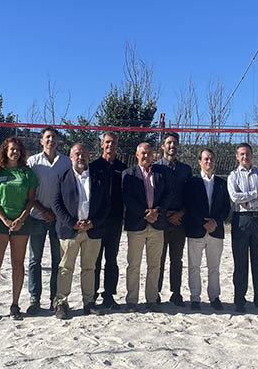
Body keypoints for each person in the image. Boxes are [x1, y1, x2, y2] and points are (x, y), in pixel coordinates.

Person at [51, 143, 111, 319]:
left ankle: (89, 302)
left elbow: (106, 204)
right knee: (65, 268)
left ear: (89, 156)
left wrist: (94, 223)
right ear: (70, 157)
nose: (80, 157)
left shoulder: (99, 177)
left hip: (93, 230)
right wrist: (73, 223)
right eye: (77, 154)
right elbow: (57, 204)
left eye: (84, 154)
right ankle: (61, 303)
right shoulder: (61, 176)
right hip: (69, 231)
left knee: (89, 268)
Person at [0, 137, 39, 320]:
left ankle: (15, 305)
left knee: (18, 264)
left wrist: (20, 219)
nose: (14, 152)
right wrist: (4, 219)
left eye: (17, 149)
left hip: (21, 223)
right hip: (0, 222)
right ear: (5, 151)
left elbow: (31, 199)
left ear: (21, 152)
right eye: (11, 149)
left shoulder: (27, 173)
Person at [121, 142, 172, 312]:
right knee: (134, 265)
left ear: (154, 155)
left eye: (149, 153)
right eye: (143, 153)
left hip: (157, 224)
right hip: (137, 224)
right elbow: (128, 199)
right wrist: (145, 213)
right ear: (137, 155)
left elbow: (167, 195)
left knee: (154, 265)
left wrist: (156, 211)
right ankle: (132, 301)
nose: (146, 156)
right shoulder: (128, 174)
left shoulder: (162, 173)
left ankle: (152, 300)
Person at [26, 126, 70, 314]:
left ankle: (55, 299)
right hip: (36, 216)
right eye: (47, 137)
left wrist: (57, 213)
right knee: (35, 260)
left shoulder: (66, 162)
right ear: (41, 141)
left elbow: (68, 192)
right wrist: (42, 211)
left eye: (54, 137)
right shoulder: (32, 162)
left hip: (57, 219)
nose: (51, 140)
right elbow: (28, 192)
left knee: (57, 261)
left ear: (58, 141)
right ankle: (34, 299)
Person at [183, 148, 230, 311]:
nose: (208, 162)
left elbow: (226, 207)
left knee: (214, 267)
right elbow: (189, 205)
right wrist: (203, 223)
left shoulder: (222, 183)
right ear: (199, 162)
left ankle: (214, 297)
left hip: (216, 231)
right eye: (205, 159)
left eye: (211, 159)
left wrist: (215, 222)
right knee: (194, 266)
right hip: (197, 229)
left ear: (214, 161)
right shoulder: (193, 182)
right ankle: (195, 298)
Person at [227, 142, 258, 313]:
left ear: (252, 155)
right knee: (241, 263)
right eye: (242, 154)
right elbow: (234, 197)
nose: (245, 157)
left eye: (248, 153)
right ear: (237, 157)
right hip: (241, 221)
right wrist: (255, 193)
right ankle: (239, 301)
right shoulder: (233, 176)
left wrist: (249, 200)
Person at [90, 132, 127, 309]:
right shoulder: (93, 167)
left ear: (117, 145)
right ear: (101, 144)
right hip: (97, 220)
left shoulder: (123, 168)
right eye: (107, 142)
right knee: (95, 260)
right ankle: (92, 294)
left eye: (113, 142)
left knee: (111, 259)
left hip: (115, 219)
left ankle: (109, 295)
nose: (110, 145)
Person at [156, 132, 192, 306]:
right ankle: (155, 293)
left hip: (180, 221)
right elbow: (153, 196)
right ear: (163, 146)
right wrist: (165, 214)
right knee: (159, 259)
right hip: (161, 220)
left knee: (176, 259)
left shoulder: (185, 169)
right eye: (169, 142)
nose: (172, 145)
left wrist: (181, 213)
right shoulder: (155, 167)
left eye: (175, 143)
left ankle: (176, 293)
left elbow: (190, 196)